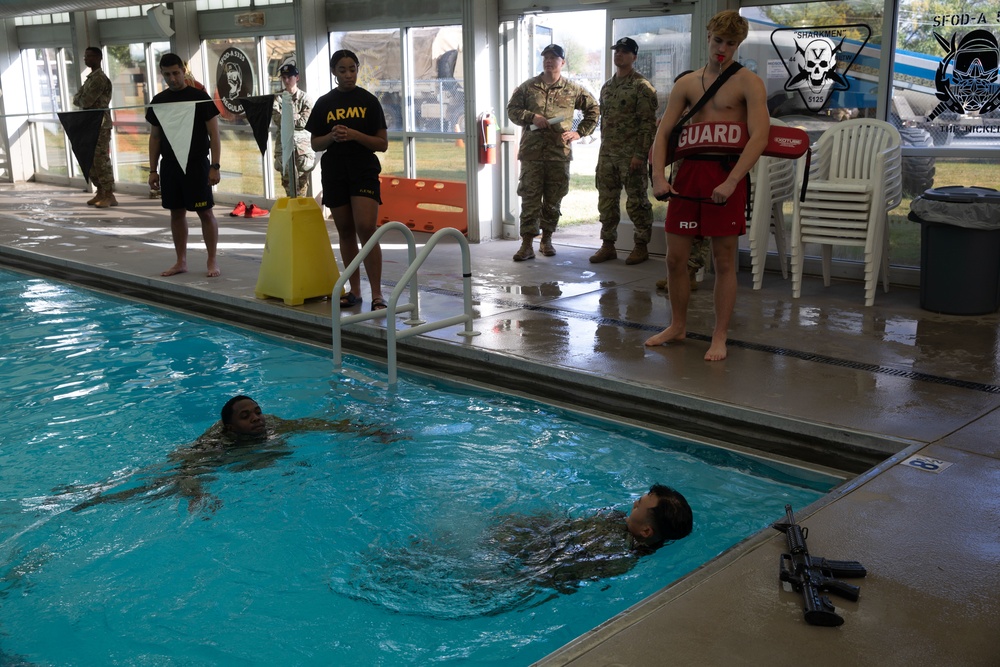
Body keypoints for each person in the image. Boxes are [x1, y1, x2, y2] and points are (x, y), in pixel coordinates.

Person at [645, 10, 769, 361]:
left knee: (724, 259)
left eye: (731, 43)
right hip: (688, 175)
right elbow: (664, 132)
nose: (722, 49)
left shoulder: (749, 82)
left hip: (725, 173)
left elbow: (759, 136)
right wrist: (658, 176)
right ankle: (678, 325)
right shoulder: (686, 83)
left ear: (738, 45)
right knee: (675, 259)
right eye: (718, 40)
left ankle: (720, 335)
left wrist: (733, 181)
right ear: (708, 36)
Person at [69, 395, 401, 513]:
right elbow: (188, 471)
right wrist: (196, 494)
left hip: (236, 456)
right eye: (246, 416)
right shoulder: (218, 445)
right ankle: (90, 497)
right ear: (230, 427)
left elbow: (315, 424)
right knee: (155, 485)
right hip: (193, 458)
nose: (256, 418)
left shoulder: (271, 425)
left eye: (257, 411)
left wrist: (365, 430)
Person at [306, 49, 389, 311]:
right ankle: (354, 289)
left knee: (366, 227)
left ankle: (377, 294)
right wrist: (332, 137)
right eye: (342, 70)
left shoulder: (369, 101)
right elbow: (315, 142)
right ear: (334, 72)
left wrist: (354, 134)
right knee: (345, 230)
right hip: (335, 171)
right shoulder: (324, 103)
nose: (348, 75)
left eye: (352, 69)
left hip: (363, 168)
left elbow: (382, 143)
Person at [507, 44, 600, 262]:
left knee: (553, 199)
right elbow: (512, 110)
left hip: (559, 153)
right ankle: (526, 244)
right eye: (546, 57)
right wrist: (531, 117)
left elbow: (593, 109)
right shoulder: (528, 87)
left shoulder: (573, 89)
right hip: (532, 154)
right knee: (530, 199)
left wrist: (579, 133)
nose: (549, 61)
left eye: (554, 58)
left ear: (562, 63)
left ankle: (546, 240)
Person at [146, 53, 222, 278]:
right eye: (167, 74)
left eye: (176, 73)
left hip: (197, 163)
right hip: (170, 165)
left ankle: (212, 260)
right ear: (162, 74)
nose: (173, 78)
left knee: (205, 212)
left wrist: (215, 165)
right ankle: (181, 261)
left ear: (183, 71)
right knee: (176, 213)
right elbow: (155, 138)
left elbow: (215, 135)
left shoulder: (199, 97)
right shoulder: (158, 101)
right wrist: (152, 169)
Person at [589, 37, 657, 266]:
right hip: (608, 154)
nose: (619, 54)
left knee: (637, 202)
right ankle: (608, 245)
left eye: (625, 51)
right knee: (606, 202)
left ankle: (641, 246)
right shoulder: (607, 87)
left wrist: (640, 154)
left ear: (634, 57)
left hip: (631, 156)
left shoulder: (642, 87)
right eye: (617, 50)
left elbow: (647, 124)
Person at [654, 70, 711, 293]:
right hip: (682, 173)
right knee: (682, 221)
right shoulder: (677, 114)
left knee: (701, 222)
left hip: (705, 173)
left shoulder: (706, 112)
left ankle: (691, 270)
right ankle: (681, 270)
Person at [73, 47, 116, 208]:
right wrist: (80, 98)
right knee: (90, 158)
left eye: (90, 56)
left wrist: (80, 99)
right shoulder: (90, 78)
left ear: (99, 58)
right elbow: (76, 99)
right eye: (85, 56)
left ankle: (109, 193)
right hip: (89, 122)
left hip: (100, 123)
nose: (86, 59)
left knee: (100, 158)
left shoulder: (99, 79)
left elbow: (85, 101)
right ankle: (100, 191)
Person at [271, 63, 316, 199]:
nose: (286, 81)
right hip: (284, 149)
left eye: (289, 77)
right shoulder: (278, 98)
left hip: (301, 150)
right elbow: (278, 120)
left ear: (297, 78)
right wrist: (294, 117)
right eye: (283, 77)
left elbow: (303, 123)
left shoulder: (305, 99)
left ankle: (301, 216)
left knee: (301, 187)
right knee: (288, 186)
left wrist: (287, 117)